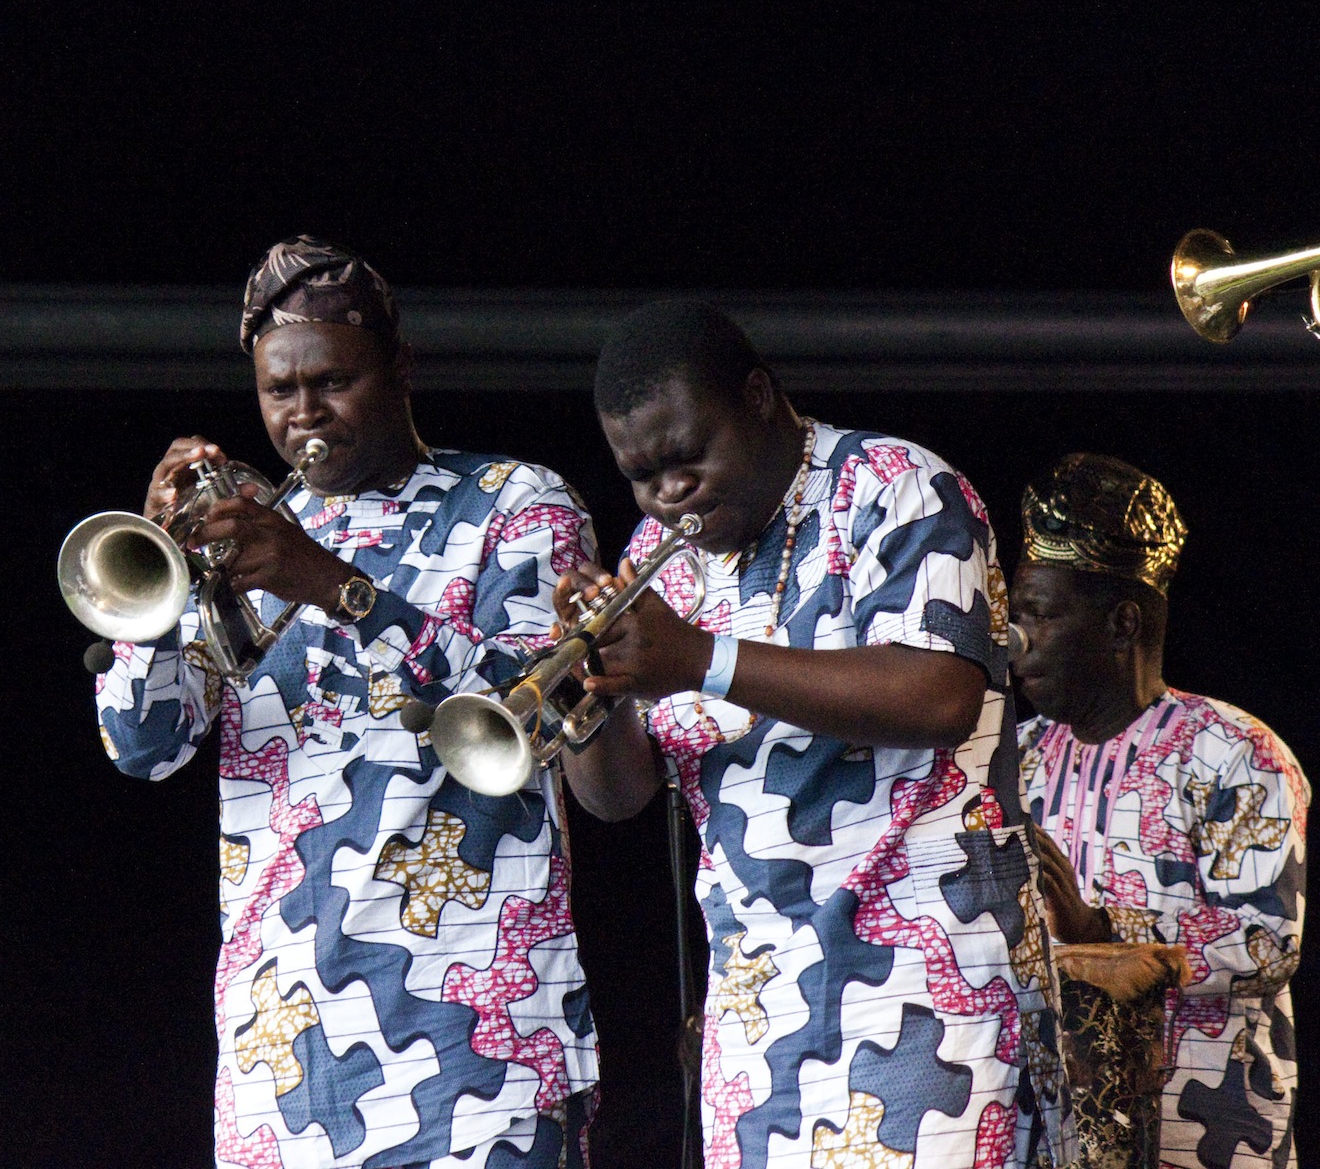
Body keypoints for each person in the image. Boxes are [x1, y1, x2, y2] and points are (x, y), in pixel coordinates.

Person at [94, 237, 600, 1169]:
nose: (302, 415)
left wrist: (334, 585)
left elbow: (539, 718)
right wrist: (160, 593)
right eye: (278, 391)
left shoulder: (516, 503)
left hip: (479, 1044)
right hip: (277, 1051)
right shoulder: (243, 538)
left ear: (401, 369)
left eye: (331, 382)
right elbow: (142, 744)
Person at [557, 300, 1038, 1169]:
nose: (669, 492)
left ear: (758, 396)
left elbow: (938, 695)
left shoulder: (899, 485)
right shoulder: (655, 554)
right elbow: (619, 797)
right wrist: (590, 699)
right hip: (755, 1013)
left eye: (686, 455)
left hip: (929, 984)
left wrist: (700, 656)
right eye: (640, 474)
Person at [1011, 454, 1306, 1169]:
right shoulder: (1009, 761)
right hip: (1048, 1139)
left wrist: (1103, 934)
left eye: (1039, 614)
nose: (1014, 639)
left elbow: (1269, 939)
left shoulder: (1234, 751)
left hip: (1203, 1137)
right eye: (1011, 614)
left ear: (1122, 623)